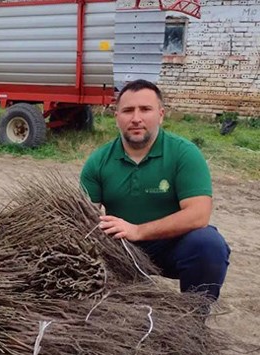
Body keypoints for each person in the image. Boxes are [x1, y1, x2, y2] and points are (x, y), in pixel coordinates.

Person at [80, 79, 230, 301]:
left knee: (208, 244)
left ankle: (193, 321)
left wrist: (138, 230)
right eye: (128, 110)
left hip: (172, 246)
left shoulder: (184, 154)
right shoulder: (98, 162)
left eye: (145, 109)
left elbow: (199, 215)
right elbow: (83, 217)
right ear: (117, 118)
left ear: (161, 114)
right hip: (121, 248)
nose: (136, 118)